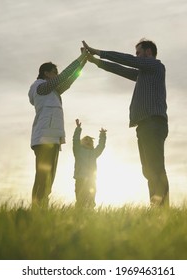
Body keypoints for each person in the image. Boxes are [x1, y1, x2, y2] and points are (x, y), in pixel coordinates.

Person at [82, 39, 169, 207]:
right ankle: (156, 207)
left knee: (156, 169)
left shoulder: (156, 66)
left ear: (148, 52)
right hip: (144, 125)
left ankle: (163, 209)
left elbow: (127, 60)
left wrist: (98, 51)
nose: (136, 57)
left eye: (138, 53)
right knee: (149, 171)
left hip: (153, 123)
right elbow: (120, 69)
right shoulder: (143, 73)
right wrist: (96, 61)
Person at [28, 48, 88, 207]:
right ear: (47, 73)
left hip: (52, 137)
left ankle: (42, 208)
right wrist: (80, 57)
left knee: (49, 177)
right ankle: (37, 208)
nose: (57, 75)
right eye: (54, 72)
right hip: (44, 138)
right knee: (43, 176)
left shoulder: (52, 91)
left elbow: (69, 80)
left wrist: (83, 62)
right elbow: (64, 76)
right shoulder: (40, 87)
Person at [73, 119, 107, 208]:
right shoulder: (78, 151)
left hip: (91, 180)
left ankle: (90, 214)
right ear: (81, 142)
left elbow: (101, 146)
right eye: (86, 140)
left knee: (91, 201)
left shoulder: (94, 153)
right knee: (80, 201)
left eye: (90, 141)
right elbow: (75, 140)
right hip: (80, 180)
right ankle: (79, 215)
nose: (88, 142)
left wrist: (102, 135)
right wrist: (78, 129)